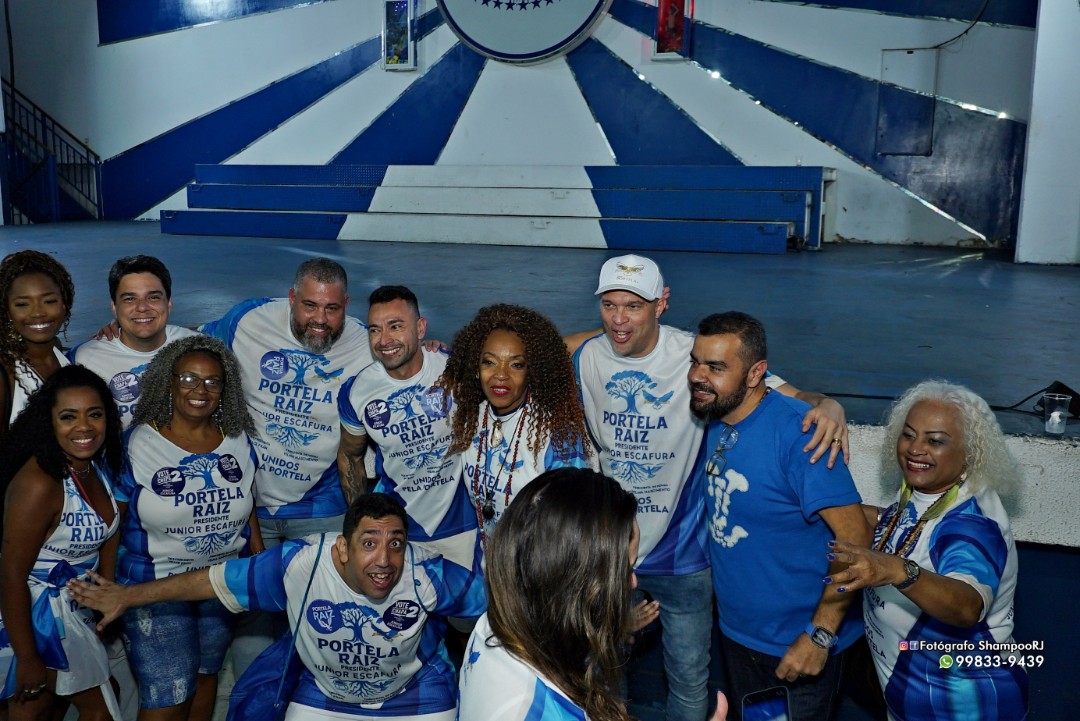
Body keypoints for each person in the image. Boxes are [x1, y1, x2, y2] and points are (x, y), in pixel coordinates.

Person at [570, 254, 850, 721]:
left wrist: (829, 404)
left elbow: (781, 392)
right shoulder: (586, 355)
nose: (620, 319)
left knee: (688, 681)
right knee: (600, 676)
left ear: (661, 303)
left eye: (633, 306)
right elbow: (531, 348)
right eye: (609, 305)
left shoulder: (696, 356)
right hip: (609, 553)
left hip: (684, 557)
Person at [68, 494, 487, 721]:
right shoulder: (299, 565)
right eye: (369, 543)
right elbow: (209, 581)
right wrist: (127, 596)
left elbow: (497, 603)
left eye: (395, 543)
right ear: (343, 548)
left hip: (415, 695)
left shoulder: (427, 573)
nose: (384, 560)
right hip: (325, 696)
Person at [688, 311, 870, 721]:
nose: (698, 376)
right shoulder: (716, 413)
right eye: (695, 362)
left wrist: (819, 635)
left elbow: (855, 537)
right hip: (739, 635)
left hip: (796, 646)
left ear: (757, 374)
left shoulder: (800, 434)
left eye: (716, 367)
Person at [198, 258, 373, 676]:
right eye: (310, 305)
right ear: (292, 297)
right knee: (252, 618)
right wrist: (127, 334)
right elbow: (192, 341)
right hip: (250, 507)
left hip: (322, 506)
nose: (320, 320)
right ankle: (254, 699)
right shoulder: (248, 320)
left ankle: (317, 698)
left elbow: (410, 360)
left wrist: (432, 346)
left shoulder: (366, 343)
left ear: (347, 305)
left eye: (332, 308)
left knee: (327, 614)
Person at [823, 381, 1027, 721]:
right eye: (909, 435)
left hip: (966, 707)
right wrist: (824, 508)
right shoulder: (927, 491)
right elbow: (902, 524)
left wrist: (896, 570)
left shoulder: (970, 524)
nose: (915, 449)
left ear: (969, 451)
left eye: (935, 441)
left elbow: (967, 606)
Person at [459, 468, 728, 721]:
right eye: (624, 569)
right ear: (573, 580)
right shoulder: (537, 709)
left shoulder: (493, 627)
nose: (633, 582)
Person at [111, 336, 262, 721]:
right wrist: (107, 585)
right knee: (168, 696)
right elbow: (114, 520)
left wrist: (257, 559)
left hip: (220, 585)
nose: (201, 390)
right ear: (169, 381)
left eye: (212, 382)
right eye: (189, 378)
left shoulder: (237, 439)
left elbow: (248, 502)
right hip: (154, 586)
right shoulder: (137, 443)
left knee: (205, 676)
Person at [0, 365, 124, 721]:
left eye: (94, 414)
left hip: (73, 613)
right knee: (101, 710)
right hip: (33, 617)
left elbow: (109, 532)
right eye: (68, 417)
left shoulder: (93, 465)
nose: (84, 427)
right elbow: (10, 576)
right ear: (49, 423)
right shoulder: (40, 484)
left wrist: (105, 598)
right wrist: (27, 657)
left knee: (37, 711)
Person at [337, 286, 476, 569]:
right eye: (375, 330)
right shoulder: (356, 391)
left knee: (474, 599)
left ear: (420, 328)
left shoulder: (454, 369)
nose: (384, 340)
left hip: (464, 526)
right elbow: (350, 456)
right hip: (397, 530)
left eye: (395, 326)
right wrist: (364, 522)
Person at [436, 304, 590, 553]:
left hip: (537, 568)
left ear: (532, 370)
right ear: (476, 367)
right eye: (489, 362)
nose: (501, 375)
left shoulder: (556, 433)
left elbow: (574, 520)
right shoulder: (470, 416)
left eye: (516, 365)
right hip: (487, 565)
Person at [70, 255, 198, 428]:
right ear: (114, 307)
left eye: (153, 297)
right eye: (129, 299)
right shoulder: (84, 360)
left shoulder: (198, 348)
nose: (142, 307)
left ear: (168, 304)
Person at [0, 250, 75, 434]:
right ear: (7, 311)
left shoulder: (63, 355)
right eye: (22, 304)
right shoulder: (5, 372)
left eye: (49, 301)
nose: (38, 313)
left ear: (64, 304)